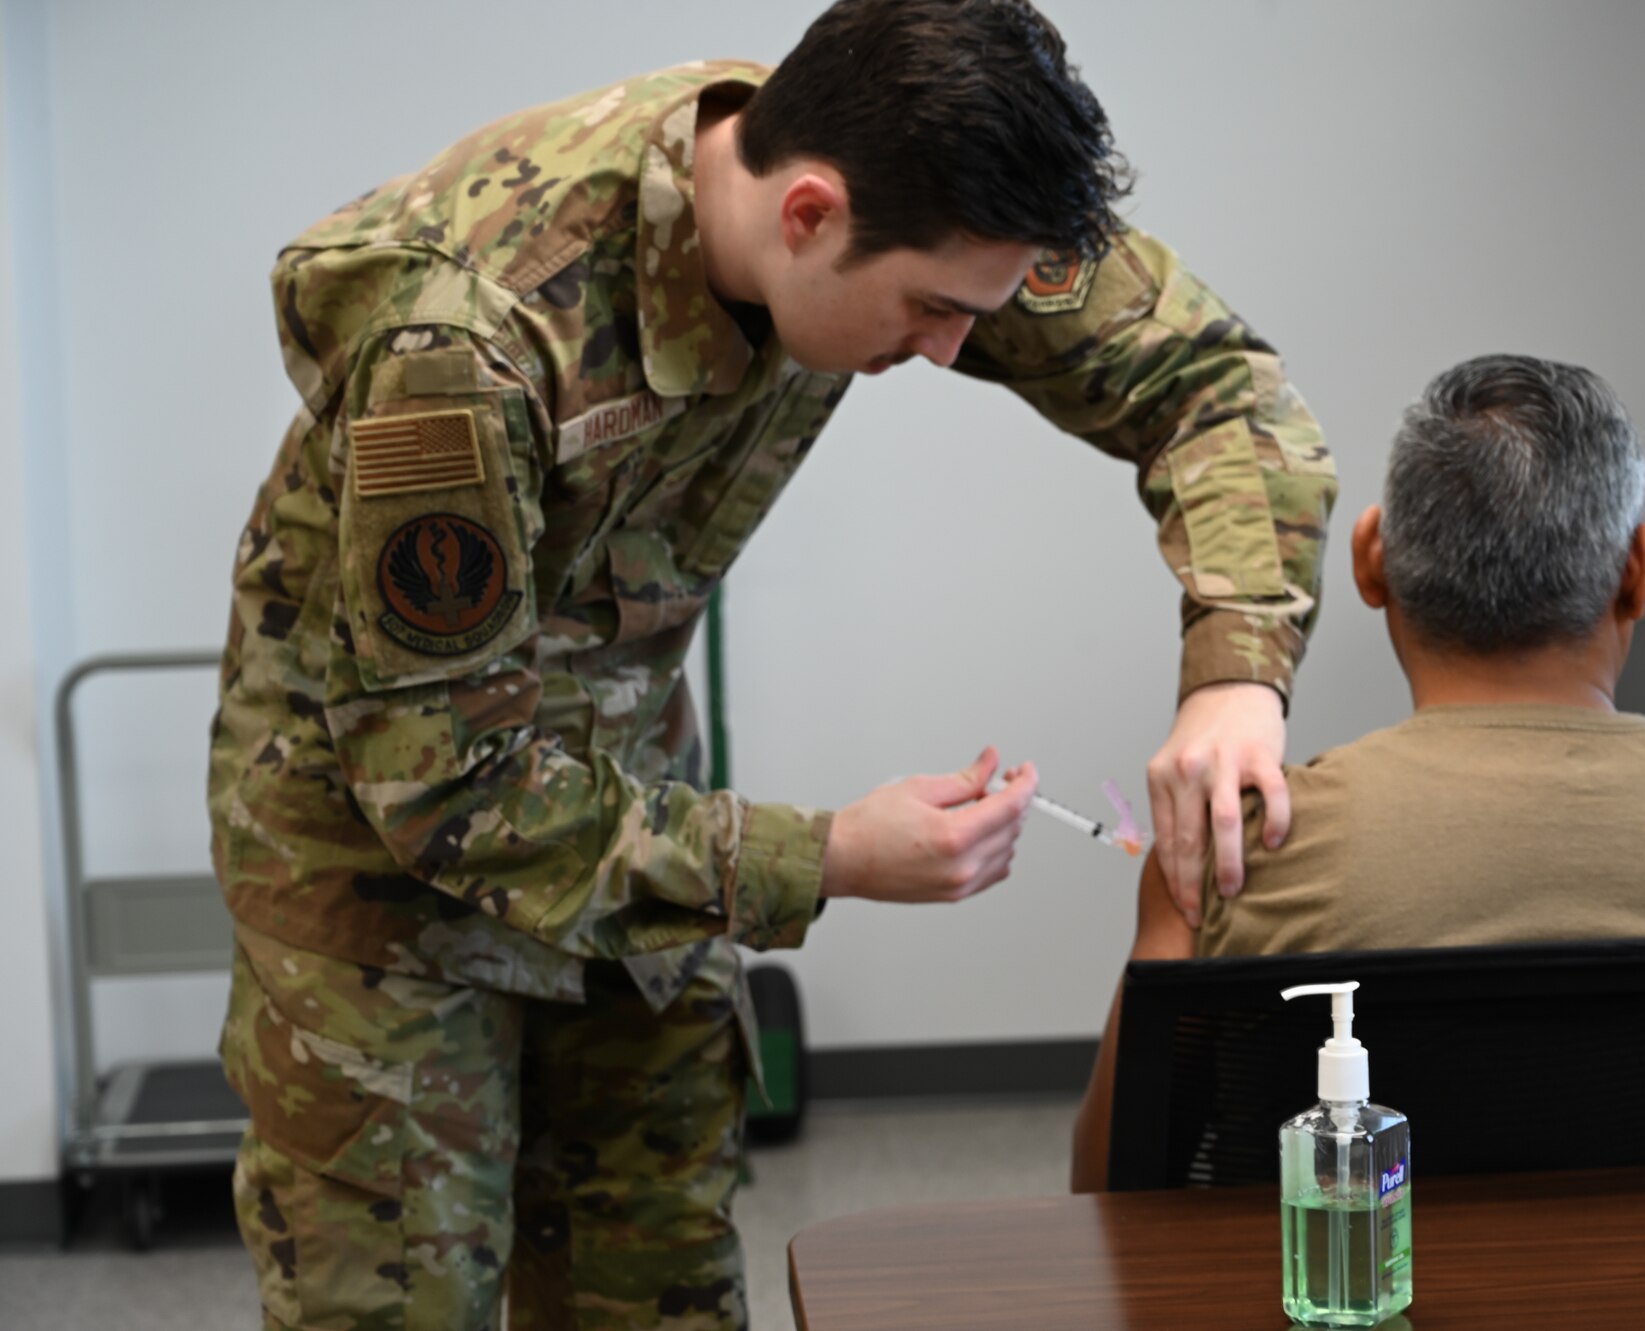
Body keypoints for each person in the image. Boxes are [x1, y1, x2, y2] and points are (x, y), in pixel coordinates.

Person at [208, 1, 1336, 1326]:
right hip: (377, 861)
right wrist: (832, 856)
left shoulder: (909, 178)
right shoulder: (463, 340)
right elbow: (447, 791)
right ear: (807, 214)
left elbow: (1209, 385)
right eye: (928, 308)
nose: (951, 350)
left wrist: (1235, 679)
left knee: (659, 1277)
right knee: (401, 1294)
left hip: (625, 801)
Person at [1070, 353, 1645, 1192]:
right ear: (1638, 572)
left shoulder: (1242, 845)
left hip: (1337, 1309)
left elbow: (1117, 1193)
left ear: (1371, 560)